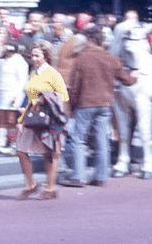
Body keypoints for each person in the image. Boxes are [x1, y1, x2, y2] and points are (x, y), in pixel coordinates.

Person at [57, 28, 136, 187]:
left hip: (85, 104)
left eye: (86, 39)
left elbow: (75, 86)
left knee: (79, 140)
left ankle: (78, 176)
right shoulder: (111, 58)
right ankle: (101, 176)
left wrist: (71, 106)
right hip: (105, 105)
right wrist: (135, 75)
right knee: (102, 141)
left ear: (91, 39)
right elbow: (127, 81)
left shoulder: (82, 59)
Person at [14, 41, 68, 200]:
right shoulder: (34, 72)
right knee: (20, 150)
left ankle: (50, 188)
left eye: (38, 56)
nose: (34, 58)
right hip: (31, 117)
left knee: (49, 153)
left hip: (48, 119)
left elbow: (64, 96)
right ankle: (30, 184)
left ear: (46, 56)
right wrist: (21, 119)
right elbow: (30, 97)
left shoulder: (52, 74)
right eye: (33, 55)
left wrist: (45, 98)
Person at [0, 42, 28, 154]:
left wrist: (16, 95)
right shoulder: (4, 60)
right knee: (2, 119)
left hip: (13, 94)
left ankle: (12, 143)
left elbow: (22, 81)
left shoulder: (20, 62)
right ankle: (1, 143)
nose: (9, 52)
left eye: (11, 50)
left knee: (11, 120)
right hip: (2, 93)